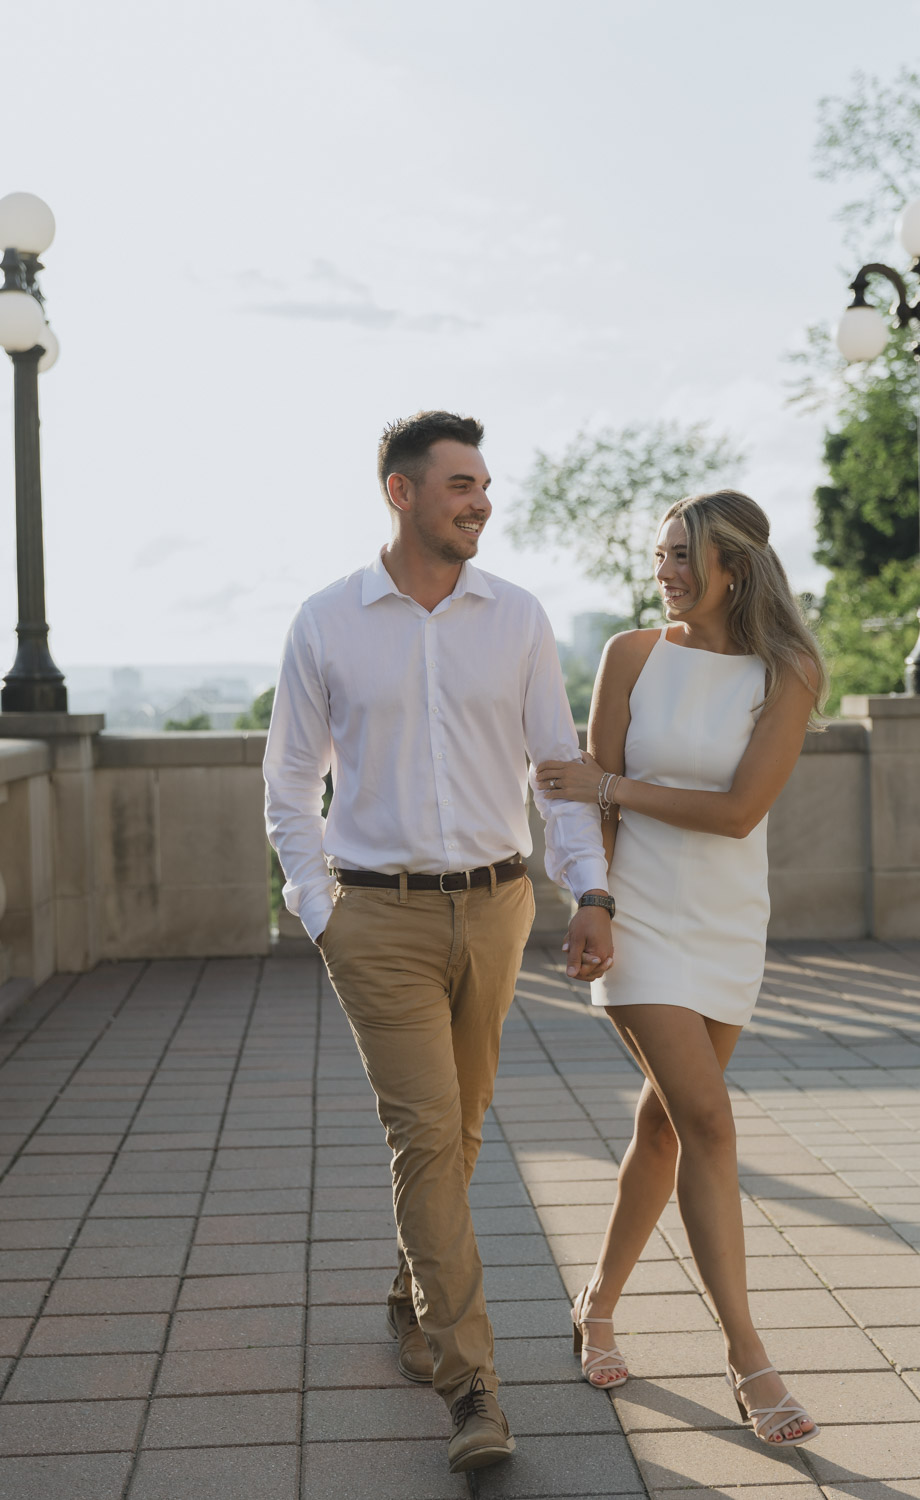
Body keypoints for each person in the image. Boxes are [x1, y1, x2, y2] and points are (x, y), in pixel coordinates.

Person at [262, 410, 614, 1476]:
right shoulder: (328, 621)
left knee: (456, 1133)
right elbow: (287, 781)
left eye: (484, 483)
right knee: (426, 1132)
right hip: (378, 916)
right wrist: (321, 910)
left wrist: (587, 888)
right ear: (400, 493)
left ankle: (409, 1289)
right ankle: (473, 1389)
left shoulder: (516, 618)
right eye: (460, 484)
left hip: (497, 905)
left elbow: (556, 766)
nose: (482, 500)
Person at [537, 488, 826, 1446]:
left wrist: (611, 782)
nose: (662, 570)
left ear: (731, 568)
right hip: (643, 918)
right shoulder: (629, 655)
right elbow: (590, 808)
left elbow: (741, 811)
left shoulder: (786, 671)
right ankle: (750, 1357)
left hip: (730, 919)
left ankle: (598, 1301)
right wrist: (594, 904)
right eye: (659, 553)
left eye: (680, 555)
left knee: (664, 1125)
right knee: (705, 1115)